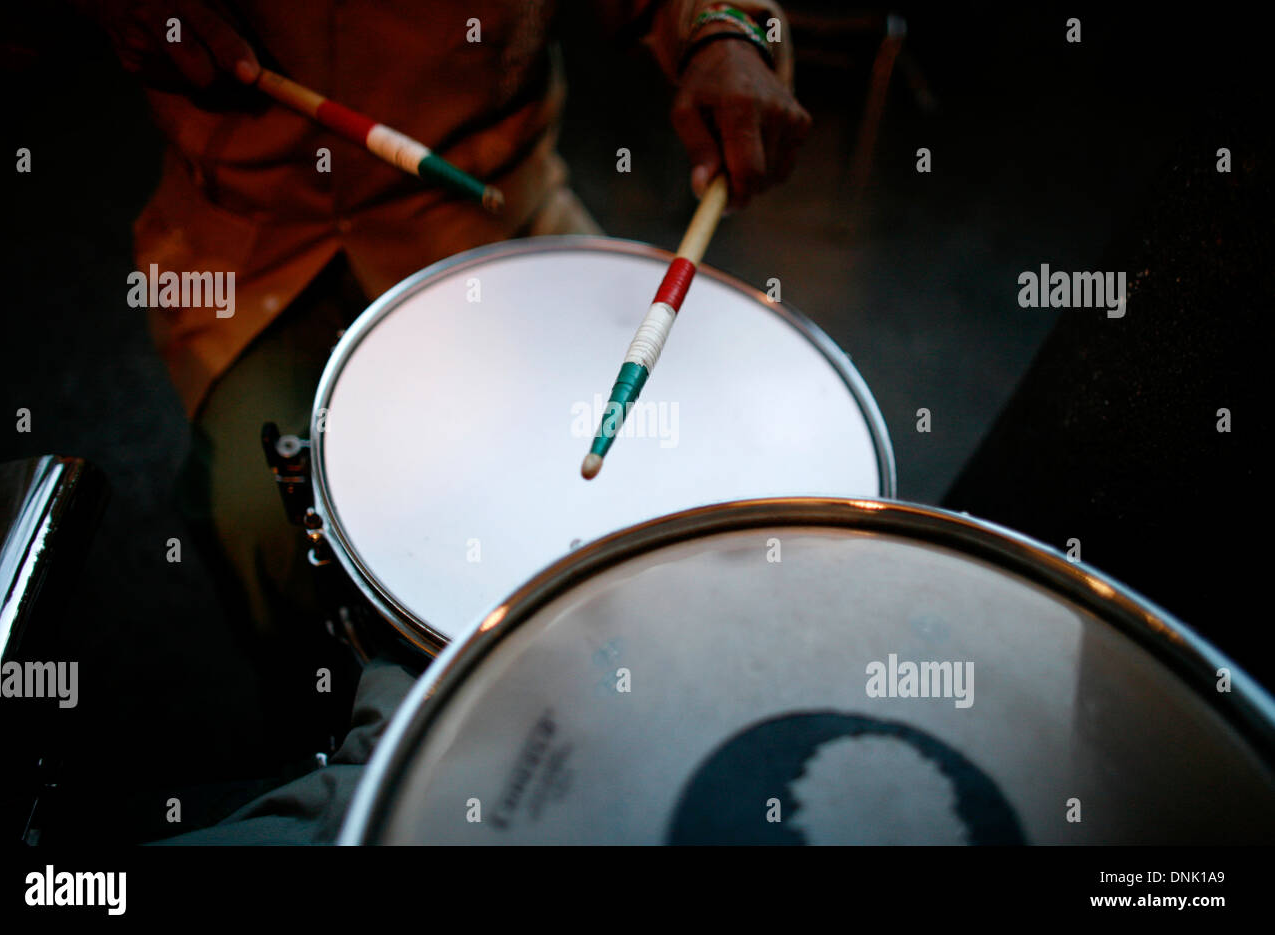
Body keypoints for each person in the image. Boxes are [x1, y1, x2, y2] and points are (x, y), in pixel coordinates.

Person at [78, 0, 811, 639]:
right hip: (250, 240)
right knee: (262, 520)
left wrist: (725, 31)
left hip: (493, 212)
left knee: (643, 475)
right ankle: (341, 756)